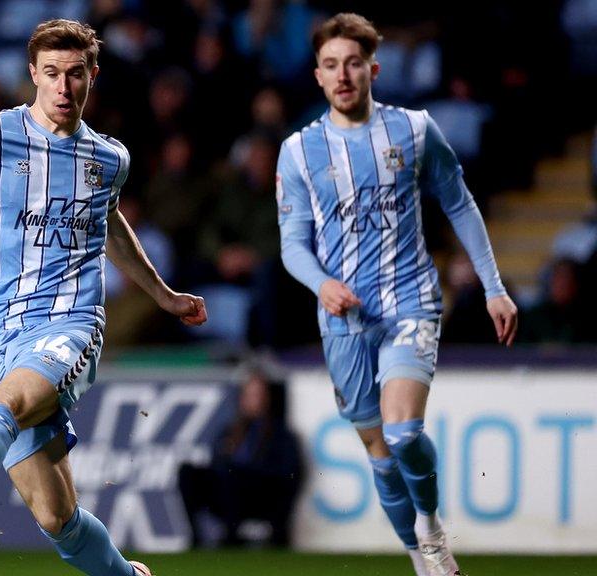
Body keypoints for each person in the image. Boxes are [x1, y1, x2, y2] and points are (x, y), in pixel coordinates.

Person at [0, 19, 207, 576]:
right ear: (33, 74)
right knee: (56, 515)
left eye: (76, 74)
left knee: (5, 408)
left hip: (69, 322)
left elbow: (108, 227)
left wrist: (162, 294)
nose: (64, 88)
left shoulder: (109, 158)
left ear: (93, 76)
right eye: (53, 74)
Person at [275, 13, 518, 576]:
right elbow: (292, 245)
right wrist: (322, 284)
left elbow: (459, 202)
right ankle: (419, 560)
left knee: (404, 431)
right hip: (343, 320)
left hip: (409, 301)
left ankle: (430, 527)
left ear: (373, 69)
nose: (343, 75)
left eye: (353, 64)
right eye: (331, 65)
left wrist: (494, 288)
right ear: (317, 76)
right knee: (381, 460)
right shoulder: (298, 152)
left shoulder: (413, 130)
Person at [178, 364, 304, 549]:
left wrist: (244, 473)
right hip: (227, 494)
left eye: (258, 395)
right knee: (188, 471)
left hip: (261, 496)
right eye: (249, 395)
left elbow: (288, 473)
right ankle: (196, 539)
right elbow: (216, 462)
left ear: (267, 398)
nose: (253, 401)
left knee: (233, 474)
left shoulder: (280, 435)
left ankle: (232, 536)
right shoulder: (230, 432)